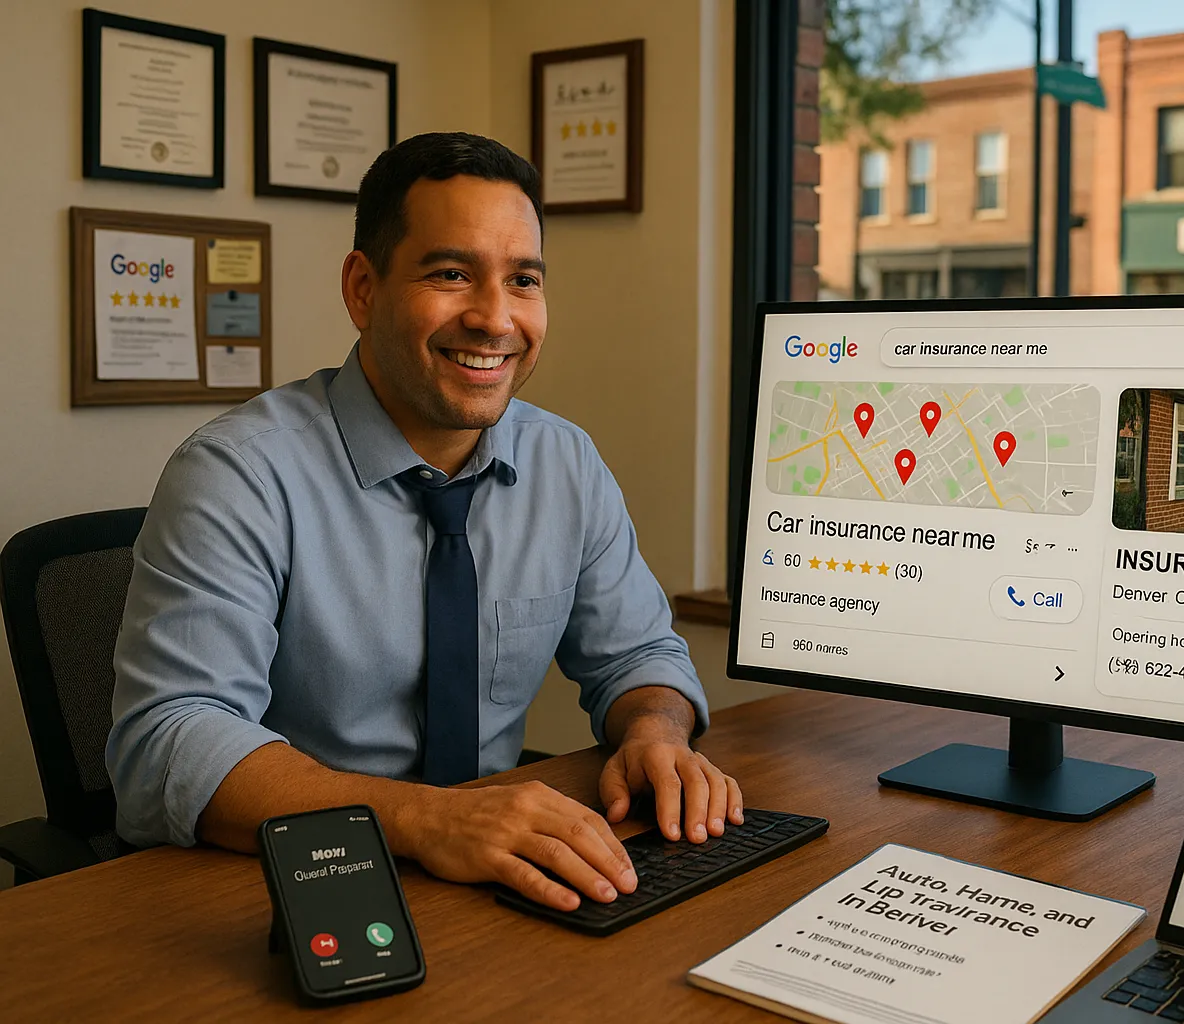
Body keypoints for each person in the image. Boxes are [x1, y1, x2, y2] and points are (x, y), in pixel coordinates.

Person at [107, 133, 743, 913]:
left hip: (489, 880)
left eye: (524, 280)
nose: (495, 318)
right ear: (363, 288)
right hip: (290, 892)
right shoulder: (238, 473)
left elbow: (638, 654)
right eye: (451, 274)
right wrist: (426, 819)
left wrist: (655, 732)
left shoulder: (565, 463)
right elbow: (169, 738)